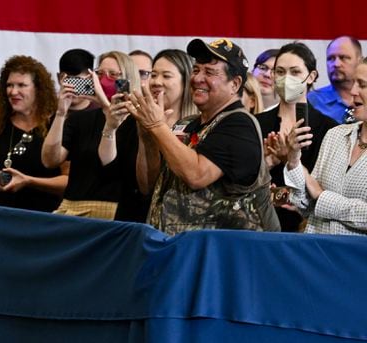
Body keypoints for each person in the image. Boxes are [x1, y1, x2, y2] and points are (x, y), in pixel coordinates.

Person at [126, 38, 279, 235]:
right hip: (176, 249)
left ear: (235, 84)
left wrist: (156, 126)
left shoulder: (240, 125)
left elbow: (197, 175)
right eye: (196, 70)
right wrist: (147, 137)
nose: (198, 78)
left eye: (210, 72)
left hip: (222, 255)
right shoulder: (185, 125)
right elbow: (149, 185)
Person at [42, 51, 141, 219]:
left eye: (113, 75)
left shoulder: (136, 122)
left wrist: (105, 105)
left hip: (114, 212)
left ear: (127, 80)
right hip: (72, 209)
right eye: (99, 74)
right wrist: (60, 113)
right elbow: (50, 160)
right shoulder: (80, 119)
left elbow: (111, 167)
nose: (103, 80)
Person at [0, 55, 67, 211]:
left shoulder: (58, 124)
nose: (13, 92)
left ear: (38, 89)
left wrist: (29, 181)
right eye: (9, 85)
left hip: (44, 219)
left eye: (22, 85)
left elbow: (68, 181)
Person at [258, 42, 338, 231]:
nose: (286, 79)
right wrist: (264, 162)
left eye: (295, 72)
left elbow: (328, 188)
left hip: (306, 226)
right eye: (280, 71)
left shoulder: (329, 129)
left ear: (311, 76)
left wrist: (290, 159)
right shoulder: (256, 123)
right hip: (260, 222)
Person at [282, 58, 367, 235]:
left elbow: (318, 196)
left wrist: (322, 196)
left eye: (363, 85)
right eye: (353, 83)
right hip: (315, 254)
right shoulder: (335, 135)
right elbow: (305, 204)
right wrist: (294, 160)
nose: (353, 91)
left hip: (357, 260)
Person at [135, 49, 197, 210]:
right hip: (138, 217)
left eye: (166, 76)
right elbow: (146, 187)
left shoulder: (199, 125)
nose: (156, 82)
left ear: (187, 81)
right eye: (153, 75)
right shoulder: (136, 119)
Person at [308, 36, 363, 124]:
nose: (336, 64)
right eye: (331, 58)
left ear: (359, 61)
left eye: (343, 57)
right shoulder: (312, 101)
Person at [56, 48, 100, 113]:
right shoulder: (45, 112)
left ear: (92, 79)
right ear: (59, 78)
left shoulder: (101, 112)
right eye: (69, 81)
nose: (73, 88)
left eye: (79, 81)